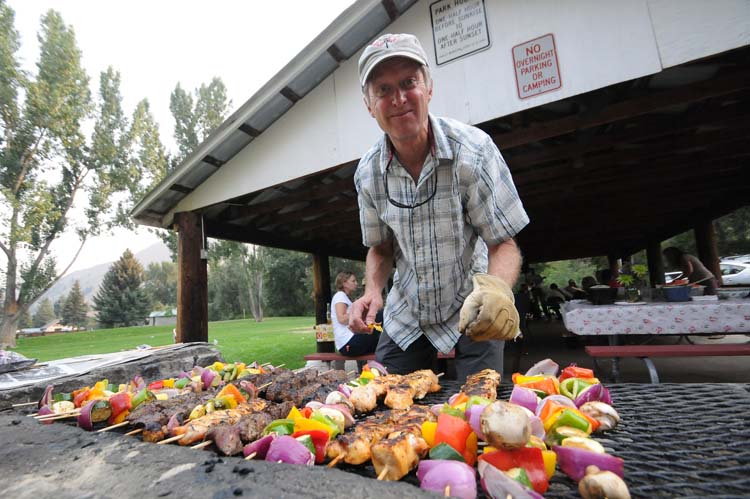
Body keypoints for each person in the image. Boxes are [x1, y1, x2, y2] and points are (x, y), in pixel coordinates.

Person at [348, 33, 529, 381]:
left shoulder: (473, 152)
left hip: (473, 303)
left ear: (428, 87)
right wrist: (372, 291)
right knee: (380, 406)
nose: (399, 98)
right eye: (383, 90)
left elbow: (502, 242)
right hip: (408, 311)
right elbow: (380, 247)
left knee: (480, 410)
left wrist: (496, 292)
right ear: (369, 105)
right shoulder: (368, 174)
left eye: (408, 82)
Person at [331, 271, 379, 369]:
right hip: (348, 344)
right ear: (344, 283)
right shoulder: (340, 295)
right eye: (353, 281)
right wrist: (361, 313)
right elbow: (341, 318)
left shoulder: (345, 297)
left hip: (351, 342)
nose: (356, 283)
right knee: (380, 315)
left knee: (382, 342)